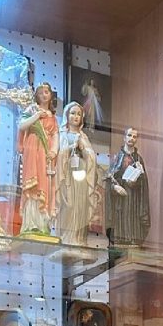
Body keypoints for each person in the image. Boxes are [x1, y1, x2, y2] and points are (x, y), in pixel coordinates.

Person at [18, 82, 59, 236]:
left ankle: (42, 224)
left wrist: (54, 151)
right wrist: (36, 116)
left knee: (45, 183)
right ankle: (30, 223)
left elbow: (55, 135)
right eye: (41, 92)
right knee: (32, 182)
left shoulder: (53, 117)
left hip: (45, 151)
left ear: (51, 95)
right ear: (37, 95)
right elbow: (22, 126)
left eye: (46, 92)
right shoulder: (32, 110)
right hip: (32, 147)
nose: (44, 95)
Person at [55, 101, 97, 245]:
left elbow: (92, 158)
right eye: (73, 113)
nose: (76, 117)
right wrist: (71, 147)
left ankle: (79, 238)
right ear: (67, 115)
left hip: (81, 176)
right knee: (69, 205)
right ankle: (66, 237)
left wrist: (83, 148)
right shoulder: (62, 135)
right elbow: (58, 155)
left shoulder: (83, 137)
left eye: (79, 114)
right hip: (67, 175)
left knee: (80, 206)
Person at [105, 127, 150, 246]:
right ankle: (120, 239)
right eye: (129, 135)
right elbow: (109, 178)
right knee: (120, 218)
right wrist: (115, 187)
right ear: (124, 138)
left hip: (134, 198)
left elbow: (144, 183)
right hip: (120, 198)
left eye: (134, 136)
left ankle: (133, 239)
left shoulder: (139, 159)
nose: (132, 138)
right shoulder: (117, 157)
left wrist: (136, 182)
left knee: (132, 219)